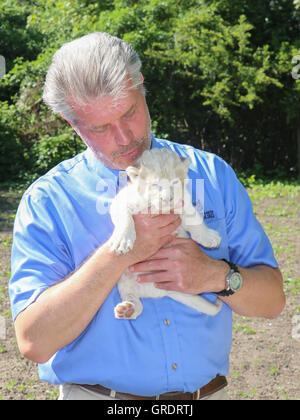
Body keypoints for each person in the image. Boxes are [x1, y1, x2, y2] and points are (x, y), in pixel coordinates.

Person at [9, 32, 285, 400]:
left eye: (130, 113)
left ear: (142, 86)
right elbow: (34, 341)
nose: (124, 138)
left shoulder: (212, 174)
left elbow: (272, 303)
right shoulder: (47, 200)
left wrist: (217, 275)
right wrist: (118, 253)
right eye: (100, 128)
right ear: (70, 122)